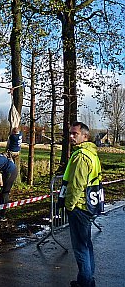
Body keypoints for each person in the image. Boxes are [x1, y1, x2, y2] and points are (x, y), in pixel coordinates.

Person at [63, 121, 102, 287]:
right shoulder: (92, 154)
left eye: (75, 134)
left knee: (80, 248)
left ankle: (85, 283)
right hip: (89, 205)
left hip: (79, 206)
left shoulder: (81, 156)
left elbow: (76, 185)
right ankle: (87, 279)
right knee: (87, 245)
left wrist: (69, 206)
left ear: (85, 136)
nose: (71, 137)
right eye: (70, 133)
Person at [0, 153, 18, 221]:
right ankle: (0, 213)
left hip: (11, 171)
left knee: (4, 192)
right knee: (2, 192)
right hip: (7, 170)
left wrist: (0, 185)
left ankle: (1, 215)